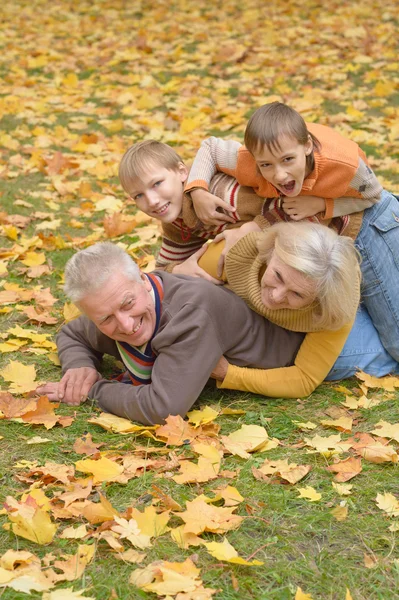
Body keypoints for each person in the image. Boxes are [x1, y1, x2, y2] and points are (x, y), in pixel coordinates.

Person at [185, 102, 399, 361]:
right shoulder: (251, 161)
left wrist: (323, 204)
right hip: (330, 238)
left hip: (370, 220)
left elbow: (373, 196)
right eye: (266, 165)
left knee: (396, 342)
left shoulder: (344, 165)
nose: (279, 174)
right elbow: (210, 147)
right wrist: (197, 191)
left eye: (288, 160)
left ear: (307, 145)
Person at [35, 242, 305, 425]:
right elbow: (72, 334)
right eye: (105, 318)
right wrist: (80, 366)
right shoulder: (113, 304)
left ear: (143, 280)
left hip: (297, 350)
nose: (127, 325)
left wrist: (92, 390)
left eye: (128, 304)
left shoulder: (190, 315)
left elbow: (162, 408)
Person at [197, 221, 399, 397]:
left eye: (297, 294)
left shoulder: (333, 308)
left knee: (385, 350)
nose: (276, 297)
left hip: (340, 310)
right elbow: (172, 282)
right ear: (273, 250)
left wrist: (228, 373)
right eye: (278, 275)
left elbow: (304, 378)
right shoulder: (237, 252)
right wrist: (179, 268)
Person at [118, 140, 266, 279]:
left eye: (156, 184)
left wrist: (253, 227)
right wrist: (176, 270)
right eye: (138, 195)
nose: (152, 201)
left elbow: (285, 208)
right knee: (196, 272)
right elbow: (162, 269)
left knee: (218, 260)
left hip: (282, 240)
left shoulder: (219, 195)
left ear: (182, 172)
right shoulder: (177, 221)